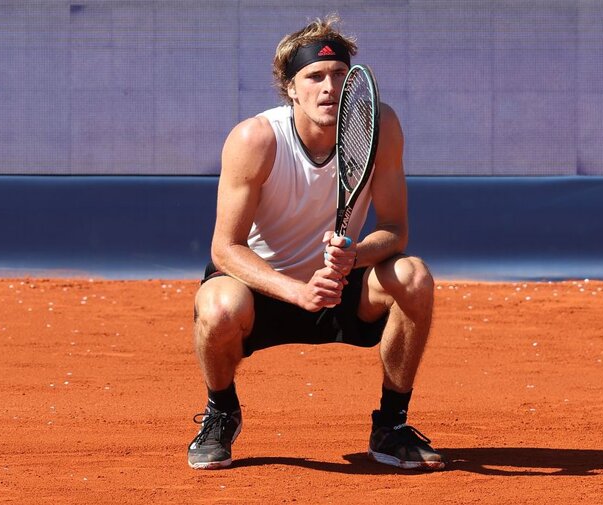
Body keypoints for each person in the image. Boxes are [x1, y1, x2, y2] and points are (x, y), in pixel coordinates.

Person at [187, 14, 445, 471]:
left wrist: (354, 256)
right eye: (314, 76)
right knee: (218, 306)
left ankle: (392, 425)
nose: (329, 87)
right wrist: (297, 291)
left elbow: (395, 231)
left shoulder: (380, 127)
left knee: (413, 276)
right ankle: (221, 412)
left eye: (339, 75)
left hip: (340, 286)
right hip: (264, 289)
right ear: (291, 87)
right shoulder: (256, 139)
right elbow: (225, 249)